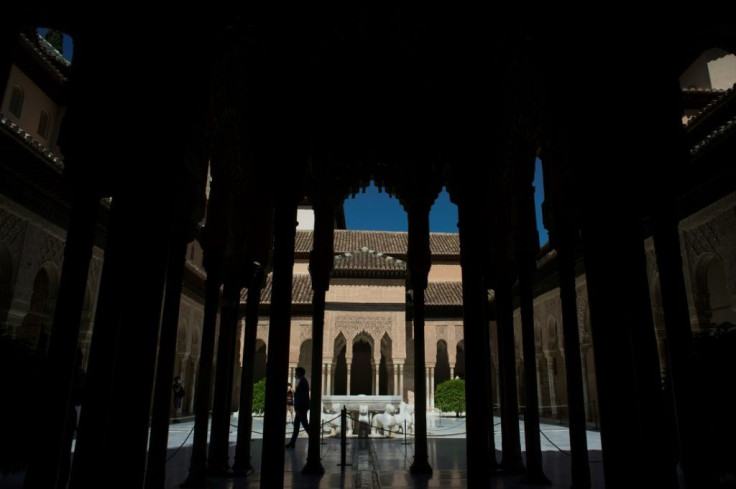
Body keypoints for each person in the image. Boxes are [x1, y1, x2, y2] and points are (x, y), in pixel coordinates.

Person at [285, 366, 310, 448]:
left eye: (296, 373)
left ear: (299, 373)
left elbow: (302, 396)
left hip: (301, 408)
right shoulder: (303, 382)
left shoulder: (303, 382)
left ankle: (314, 439)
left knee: (305, 424)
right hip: (300, 408)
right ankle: (292, 442)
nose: (295, 374)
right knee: (296, 426)